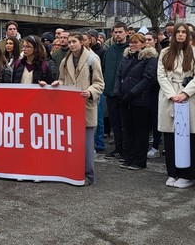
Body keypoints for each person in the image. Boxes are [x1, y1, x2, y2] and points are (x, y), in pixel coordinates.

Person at [157, 23, 195, 189]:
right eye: (177, 32)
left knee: (189, 138)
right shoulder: (165, 52)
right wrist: (172, 94)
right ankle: (172, 172)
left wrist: (184, 94)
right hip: (169, 96)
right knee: (170, 138)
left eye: (183, 32)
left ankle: (188, 175)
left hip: (188, 97)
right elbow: (161, 75)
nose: (180, 35)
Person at [53, 32, 104, 185]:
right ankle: (72, 172)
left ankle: (89, 175)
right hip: (70, 107)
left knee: (87, 144)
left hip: (86, 105)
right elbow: (62, 79)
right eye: (69, 42)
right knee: (71, 142)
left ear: (82, 42)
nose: (71, 44)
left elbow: (99, 83)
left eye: (74, 41)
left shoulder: (93, 59)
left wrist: (90, 92)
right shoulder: (65, 60)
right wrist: (58, 84)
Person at [114, 33, 159, 171]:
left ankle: (139, 160)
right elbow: (119, 75)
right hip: (124, 99)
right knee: (128, 129)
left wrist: (131, 94)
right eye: (131, 42)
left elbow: (147, 79)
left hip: (140, 100)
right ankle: (129, 157)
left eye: (136, 42)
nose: (132, 45)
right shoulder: (127, 57)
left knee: (140, 130)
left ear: (143, 44)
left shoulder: (150, 58)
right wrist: (117, 91)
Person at [102, 22, 129, 159]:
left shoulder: (130, 49)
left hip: (124, 93)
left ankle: (126, 150)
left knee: (126, 124)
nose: (118, 34)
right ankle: (118, 148)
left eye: (120, 32)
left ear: (126, 32)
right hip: (110, 92)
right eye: (115, 32)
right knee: (115, 123)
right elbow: (104, 69)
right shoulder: (109, 51)